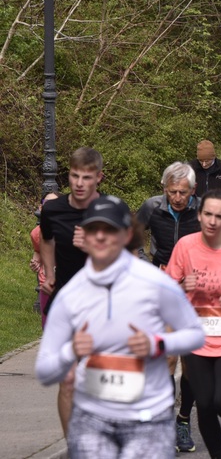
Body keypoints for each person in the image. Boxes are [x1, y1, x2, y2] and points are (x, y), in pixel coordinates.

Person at [35, 195, 205, 458]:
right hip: (92, 419)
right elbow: (44, 370)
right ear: (84, 236)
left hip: (148, 418)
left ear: (127, 235)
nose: (101, 237)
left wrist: (157, 343)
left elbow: (195, 334)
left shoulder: (156, 284)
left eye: (110, 229)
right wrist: (71, 351)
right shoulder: (71, 294)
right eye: (94, 229)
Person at [166, 190, 221, 458]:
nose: (212, 221)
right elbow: (166, 290)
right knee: (204, 405)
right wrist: (181, 285)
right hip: (196, 336)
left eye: (219, 216)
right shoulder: (186, 246)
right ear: (199, 214)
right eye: (208, 215)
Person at [135, 161, 202, 452]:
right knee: (167, 358)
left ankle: (183, 419)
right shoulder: (151, 207)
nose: (177, 198)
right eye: (172, 192)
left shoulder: (202, 210)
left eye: (183, 192)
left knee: (191, 364)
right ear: (164, 189)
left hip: (194, 292)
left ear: (193, 191)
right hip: (161, 288)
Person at [39, 147, 104, 437]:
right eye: (74, 175)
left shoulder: (111, 210)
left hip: (103, 304)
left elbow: (126, 260)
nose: (79, 183)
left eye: (86, 177)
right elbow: (47, 239)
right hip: (65, 301)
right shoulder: (53, 209)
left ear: (98, 178)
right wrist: (49, 272)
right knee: (67, 379)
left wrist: (92, 248)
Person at [30, 192, 60, 328]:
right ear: (41, 207)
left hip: (66, 285)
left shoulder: (70, 229)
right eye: (47, 203)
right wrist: (35, 261)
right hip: (46, 285)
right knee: (48, 328)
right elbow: (38, 251)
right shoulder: (36, 233)